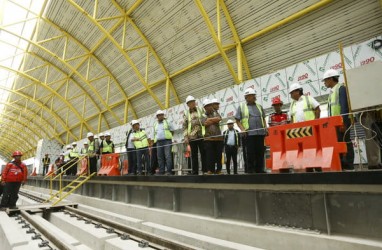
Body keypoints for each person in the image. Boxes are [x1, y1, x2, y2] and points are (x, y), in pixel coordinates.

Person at [323, 69, 354, 170]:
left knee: (346, 142)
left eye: (326, 80)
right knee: (339, 143)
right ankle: (342, 164)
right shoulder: (332, 92)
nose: (325, 83)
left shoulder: (340, 88)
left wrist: (343, 123)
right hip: (334, 123)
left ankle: (349, 165)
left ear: (331, 79)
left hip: (341, 122)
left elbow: (344, 107)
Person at [235, 87, 267, 174]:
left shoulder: (259, 107)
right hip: (249, 134)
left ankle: (260, 169)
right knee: (250, 153)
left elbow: (263, 118)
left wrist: (265, 128)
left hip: (260, 133)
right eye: (251, 95)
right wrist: (242, 129)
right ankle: (250, 170)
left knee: (260, 152)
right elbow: (237, 120)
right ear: (246, 97)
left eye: (254, 95)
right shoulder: (241, 107)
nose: (253, 97)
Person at [183, 95, 206, 175]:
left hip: (201, 135)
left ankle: (205, 170)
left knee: (204, 153)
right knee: (194, 155)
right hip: (192, 137)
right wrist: (186, 137)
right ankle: (195, 171)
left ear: (195, 102)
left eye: (193, 102)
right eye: (190, 103)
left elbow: (204, 120)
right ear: (187, 105)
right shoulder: (186, 113)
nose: (192, 104)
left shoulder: (200, 110)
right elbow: (184, 126)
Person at [202, 99, 223, 174]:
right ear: (204, 108)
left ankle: (219, 170)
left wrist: (210, 119)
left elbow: (219, 119)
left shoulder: (216, 112)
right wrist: (214, 120)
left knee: (219, 155)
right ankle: (210, 170)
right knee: (209, 155)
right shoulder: (203, 115)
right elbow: (205, 123)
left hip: (218, 138)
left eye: (209, 105)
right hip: (208, 138)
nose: (209, 107)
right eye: (206, 106)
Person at [153, 110, 174, 175]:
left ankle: (169, 171)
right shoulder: (155, 124)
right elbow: (155, 133)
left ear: (163, 115)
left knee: (168, 156)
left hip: (167, 141)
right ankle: (161, 171)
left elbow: (172, 130)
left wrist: (168, 137)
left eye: (161, 115)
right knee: (160, 157)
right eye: (159, 115)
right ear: (157, 116)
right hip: (158, 142)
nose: (160, 116)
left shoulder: (167, 122)